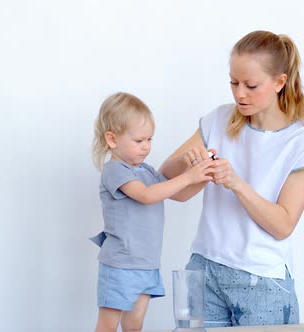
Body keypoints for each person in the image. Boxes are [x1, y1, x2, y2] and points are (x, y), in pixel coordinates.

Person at [159, 30, 304, 327]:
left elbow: (283, 225)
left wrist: (236, 183)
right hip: (204, 270)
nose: (239, 94)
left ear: (279, 82)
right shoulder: (218, 120)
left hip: (262, 282)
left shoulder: (301, 142)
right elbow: (169, 184)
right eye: (233, 83)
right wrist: (190, 166)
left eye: (251, 85)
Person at [90, 92, 214, 332]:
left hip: (146, 265)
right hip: (120, 264)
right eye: (139, 141)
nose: (146, 146)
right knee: (107, 325)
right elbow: (147, 196)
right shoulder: (114, 170)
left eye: (149, 139)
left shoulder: (146, 171)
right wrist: (189, 175)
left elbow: (177, 193)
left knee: (135, 324)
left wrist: (204, 175)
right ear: (112, 140)